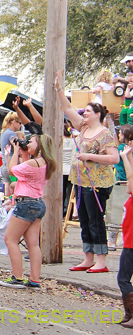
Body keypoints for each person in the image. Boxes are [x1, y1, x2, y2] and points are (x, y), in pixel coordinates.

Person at [56, 72, 119, 272]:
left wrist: (91, 157)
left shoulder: (105, 134)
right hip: (80, 181)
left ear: (98, 114)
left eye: (88, 111)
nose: (84, 113)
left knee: (95, 220)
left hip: (98, 184)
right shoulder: (82, 128)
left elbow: (114, 159)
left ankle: (101, 260)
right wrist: (58, 89)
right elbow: (67, 108)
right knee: (83, 219)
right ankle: (87, 257)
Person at [0, 133, 58, 289]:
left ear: (40, 145)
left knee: (10, 239)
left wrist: (15, 150)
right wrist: (23, 154)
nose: (28, 143)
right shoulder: (43, 162)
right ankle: (34, 280)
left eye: (31, 142)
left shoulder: (34, 162)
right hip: (38, 204)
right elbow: (21, 175)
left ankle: (17, 277)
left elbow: (11, 171)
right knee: (33, 244)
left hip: (26, 204)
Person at [116, 145, 133, 327]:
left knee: (123, 279)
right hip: (129, 243)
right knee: (124, 278)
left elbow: (130, 176)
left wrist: (125, 158)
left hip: (132, 244)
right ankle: (129, 313)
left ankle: (132, 313)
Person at [108, 126, 133, 251]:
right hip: (127, 182)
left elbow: (120, 167)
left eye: (121, 132)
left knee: (116, 211)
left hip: (122, 183)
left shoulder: (122, 149)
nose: (118, 134)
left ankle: (111, 240)